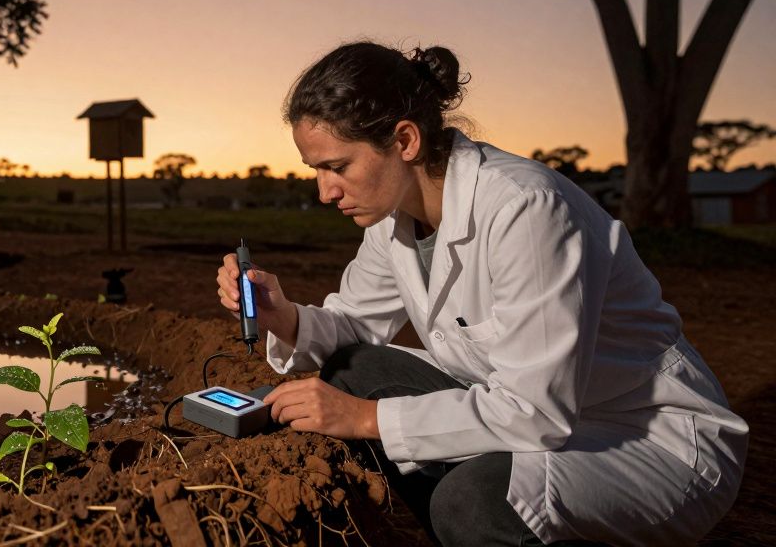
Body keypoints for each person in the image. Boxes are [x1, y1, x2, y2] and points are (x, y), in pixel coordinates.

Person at [215, 42, 746, 546]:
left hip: (642, 439)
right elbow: (353, 328)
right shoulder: (391, 217)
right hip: (527, 418)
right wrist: (278, 314)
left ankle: (487, 519)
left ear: (404, 141)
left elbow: (538, 411)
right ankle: (471, 523)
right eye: (317, 170)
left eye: (337, 167)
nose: (325, 191)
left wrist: (361, 418)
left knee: (469, 505)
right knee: (355, 367)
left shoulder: (526, 208)